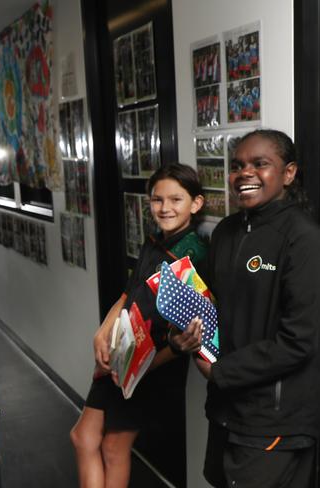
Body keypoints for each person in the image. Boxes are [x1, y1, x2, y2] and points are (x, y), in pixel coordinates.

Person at [172, 129, 320, 487]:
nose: (244, 173)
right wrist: (183, 337)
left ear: (288, 173)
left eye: (260, 164)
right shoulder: (225, 232)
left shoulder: (303, 238)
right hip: (226, 411)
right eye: (237, 165)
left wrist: (221, 371)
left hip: (274, 420)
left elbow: (300, 340)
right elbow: (207, 307)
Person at [70, 163, 207, 487]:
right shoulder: (155, 241)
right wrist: (103, 329)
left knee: (114, 448)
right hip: (119, 354)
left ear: (196, 203)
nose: (165, 208)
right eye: (157, 200)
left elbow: (185, 339)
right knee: (83, 437)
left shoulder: (194, 257)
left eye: (176, 199)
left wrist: (136, 368)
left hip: (150, 367)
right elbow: (130, 292)